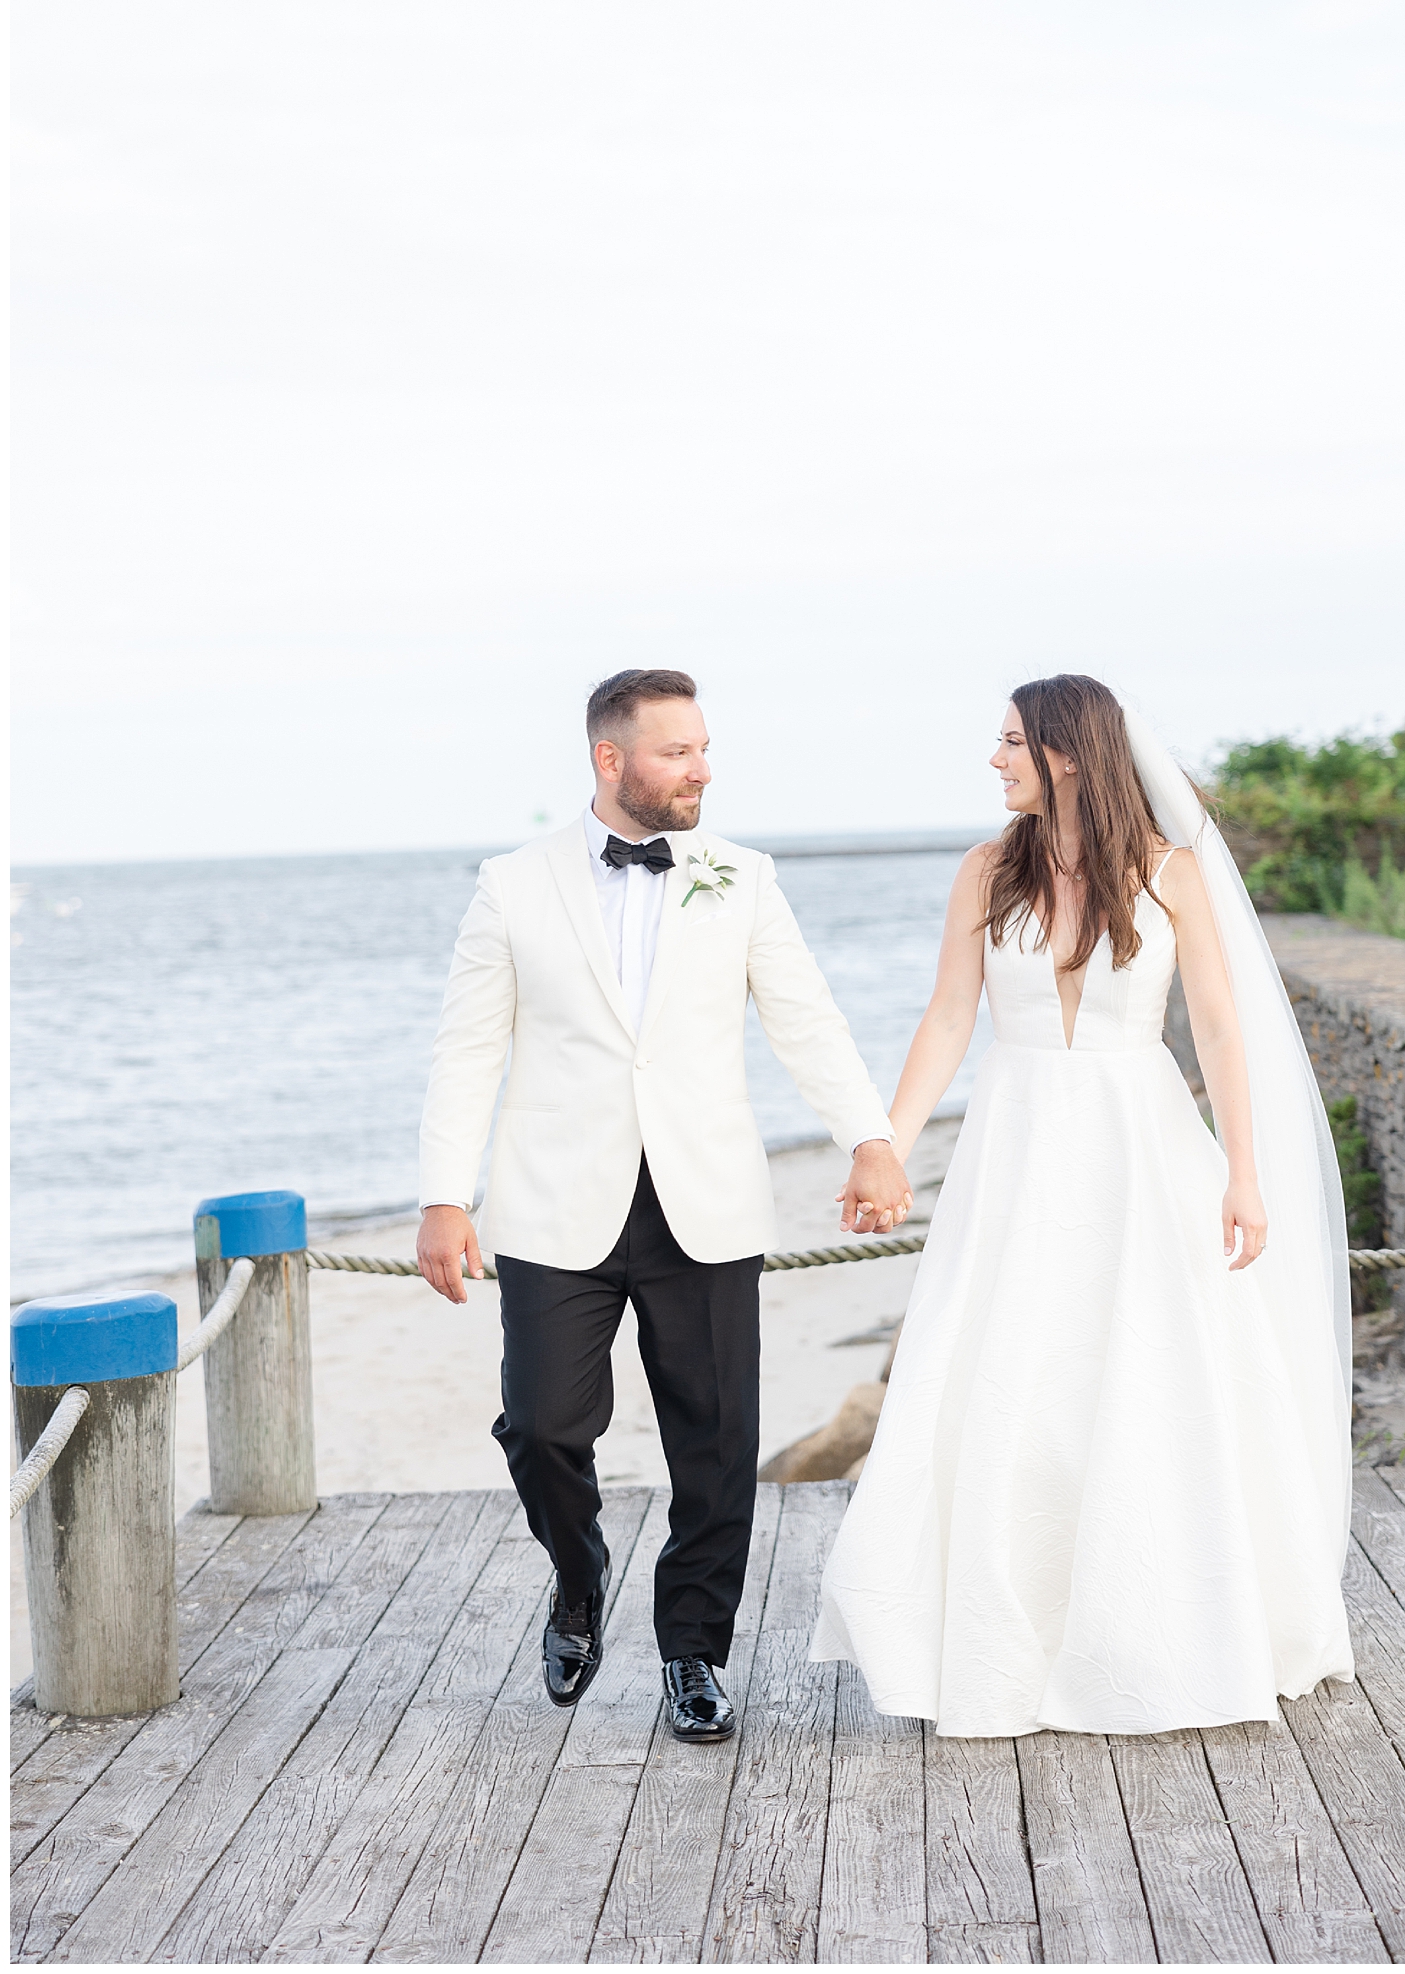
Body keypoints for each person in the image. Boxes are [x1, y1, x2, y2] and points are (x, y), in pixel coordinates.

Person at [811, 673, 1355, 1737]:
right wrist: (884, 1145)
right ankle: (999, 1638)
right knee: (1007, 1370)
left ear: (1065, 754)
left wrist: (1242, 1171)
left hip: (1139, 1145)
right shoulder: (983, 870)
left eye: (1011, 741)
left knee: (1148, 1370)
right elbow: (945, 1021)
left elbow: (1219, 1029)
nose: (995, 758)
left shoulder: (1172, 872)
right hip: (1012, 1147)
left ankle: (1156, 1632)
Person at [415, 668, 902, 1744]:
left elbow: (806, 1020)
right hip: (552, 1205)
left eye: (702, 747)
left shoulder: (744, 876)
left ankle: (692, 1651)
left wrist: (868, 1138)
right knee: (541, 1423)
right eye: (677, 751)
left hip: (707, 1200)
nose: (701, 768)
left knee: (716, 1441)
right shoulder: (512, 884)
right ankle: (578, 1573)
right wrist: (444, 1196)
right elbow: (466, 1048)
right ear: (609, 759)